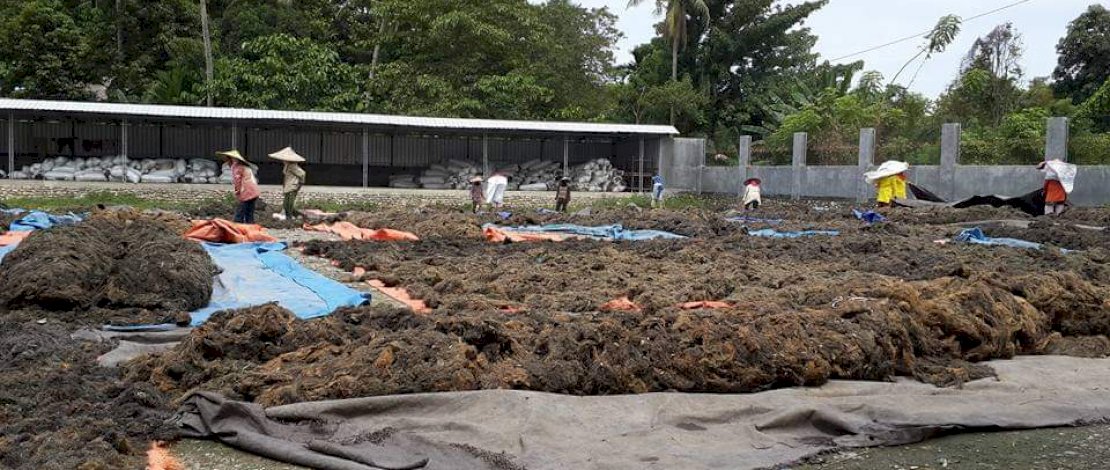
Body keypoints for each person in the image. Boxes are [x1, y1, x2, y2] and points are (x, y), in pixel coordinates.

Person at [218, 150, 260, 223]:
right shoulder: (245, 167)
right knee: (249, 213)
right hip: (254, 191)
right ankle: (250, 229)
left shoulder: (236, 167)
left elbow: (237, 181)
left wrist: (237, 192)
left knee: (239, 213)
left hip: (247, 191)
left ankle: (236, 228)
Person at [268, 147, 306, 219]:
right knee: (286, 204)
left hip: (292, 186)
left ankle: (290, 217)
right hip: (288, 186)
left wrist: (300, 183)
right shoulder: (287, 165)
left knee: (289, 204)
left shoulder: (293, 166)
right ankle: (298, 215)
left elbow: (302, 174)